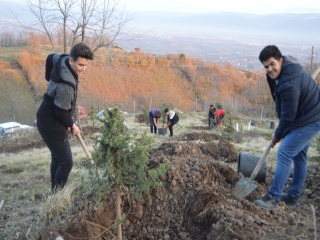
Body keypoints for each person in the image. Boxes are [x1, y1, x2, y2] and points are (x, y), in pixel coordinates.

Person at [254, 45, 320, 210]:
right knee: (300, 156)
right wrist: (270, 76)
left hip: (310, 119)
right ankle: (293, 196)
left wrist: (277, 135)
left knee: (284, 152)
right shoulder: (286, 68)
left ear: (280, 60)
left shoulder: (289, 84)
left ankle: (272, 197)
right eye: (266, 66)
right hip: (307, 115)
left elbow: (288, 117)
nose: (270, 69)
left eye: (272, 64)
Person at [36, 42, 94, 192]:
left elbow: (50, 58)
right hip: (51, 122)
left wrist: (50, 81)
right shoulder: (66, 86)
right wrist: (72, 125)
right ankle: (57, 196)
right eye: (80, 65)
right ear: (71, 60)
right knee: (66, 162)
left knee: (58, 157)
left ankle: (54, 192)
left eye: (86, 65)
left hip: (48, 115)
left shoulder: (61, 58)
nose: (83, 69)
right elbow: (60, 113)